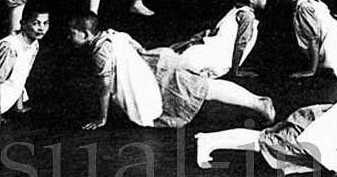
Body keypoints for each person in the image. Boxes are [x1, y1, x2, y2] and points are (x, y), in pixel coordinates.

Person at [195, 46, 337, 177]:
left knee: (266, 140)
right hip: (312, 130)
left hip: (316, 125)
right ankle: (208, 140)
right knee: (265, 141)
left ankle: (209, 140)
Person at [67, 13, 275, 130]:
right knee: (204, 88)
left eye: (72, 33)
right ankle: (258, 103)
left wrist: (101, 118)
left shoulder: (100, 52)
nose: (69, 37)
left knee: (204, 89)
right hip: (158, 61)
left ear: (86, 34)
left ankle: (259, 103)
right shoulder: (112, 34)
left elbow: (104, 87)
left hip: (159, 73)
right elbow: (137, 46)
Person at [173, 0, 268, 79]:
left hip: (209, 49)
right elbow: (241, 44)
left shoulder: (236, 9)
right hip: (217, 57)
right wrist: (236, 71)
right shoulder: (247, 16)